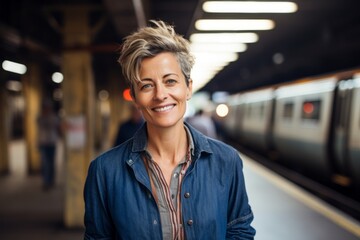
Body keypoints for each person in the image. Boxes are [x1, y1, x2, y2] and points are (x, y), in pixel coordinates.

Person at [84, 20, 256, 239]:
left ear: (188, 88)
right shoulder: (104, 171)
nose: (160, 94)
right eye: (146, 85)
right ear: (135, 97)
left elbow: (239, 230)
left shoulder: (226, 161)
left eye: (170, 81)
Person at [37, 99, 60, 191]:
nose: (46, 109)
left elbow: (58, 127)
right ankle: (46, 182)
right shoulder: (40, 117)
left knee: (51, 163)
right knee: (45, 164)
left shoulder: (54, 117)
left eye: (48, 108)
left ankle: (51, 180)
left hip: (52, 143)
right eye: (45, 107)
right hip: (43, 143)